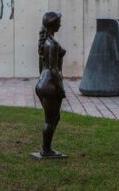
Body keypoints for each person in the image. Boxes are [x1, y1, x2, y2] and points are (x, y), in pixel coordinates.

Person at [34, 11, 66, 158]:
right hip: (50, 85)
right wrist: (60, 88)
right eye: (59, 21)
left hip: (43, 83)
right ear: (53, 24)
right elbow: (53, 69)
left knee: (55, 117)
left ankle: (47, 148)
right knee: (51, 120)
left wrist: (41, 80)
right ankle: (46, 150)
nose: (60, 23)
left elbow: (43, 66)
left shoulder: (46, 42)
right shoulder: (51, 44)